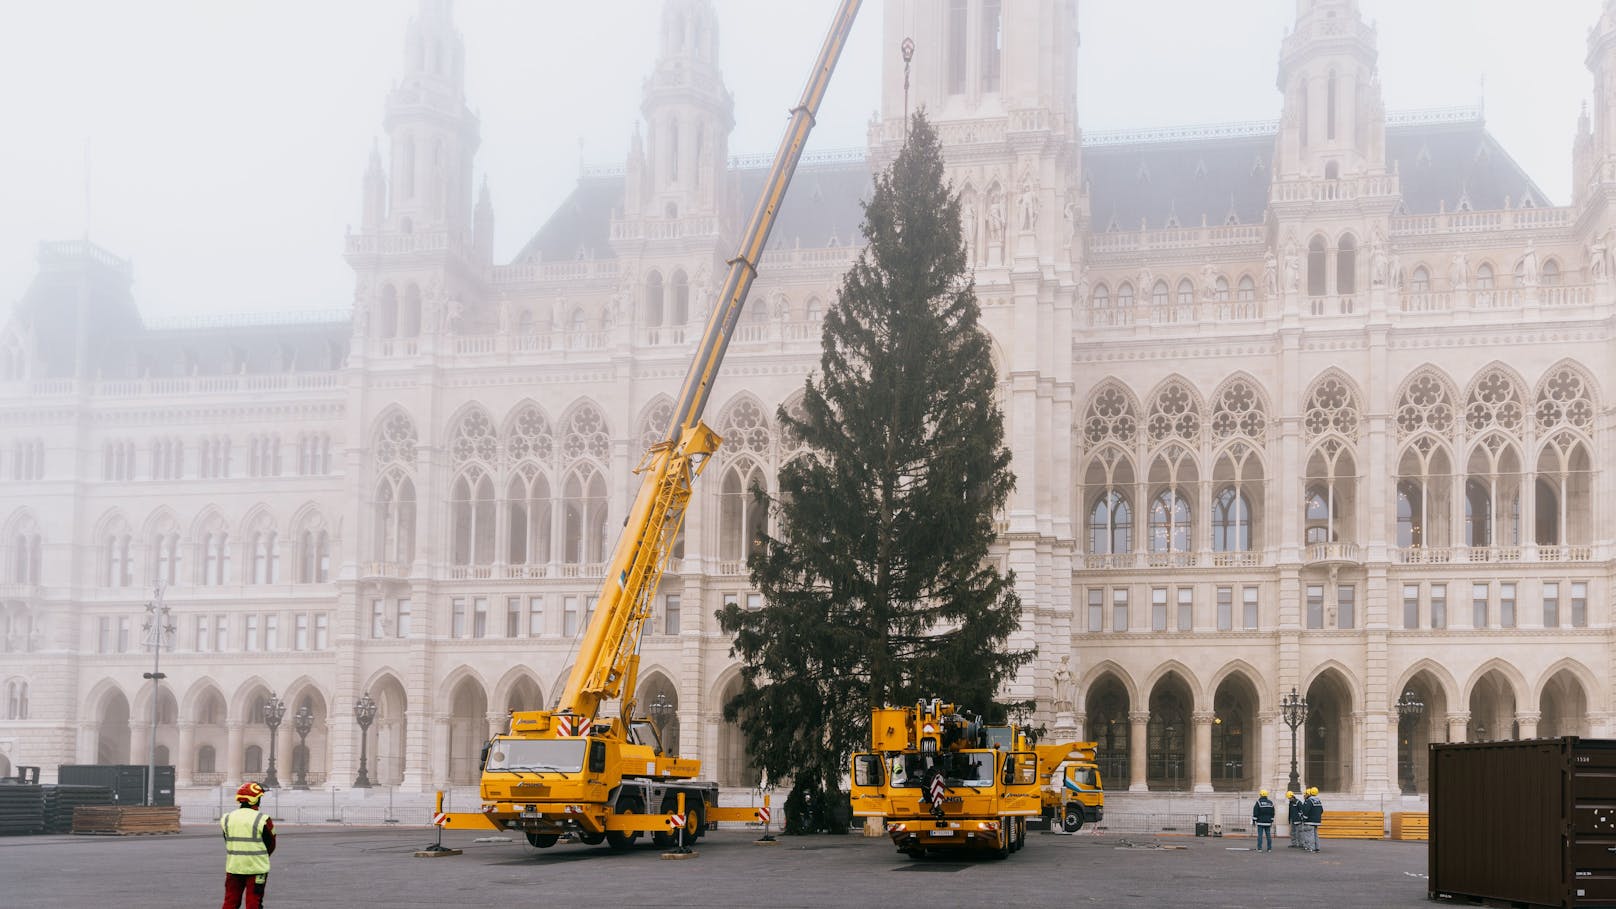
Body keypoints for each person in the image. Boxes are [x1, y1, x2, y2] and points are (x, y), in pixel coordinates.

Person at [221, 781, 276, 909]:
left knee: (230, 902)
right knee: (253, 903)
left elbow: (227, 840)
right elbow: (271, 844)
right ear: (255, 800)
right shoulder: (262, 819)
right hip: (256, 868)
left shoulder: (227, 818)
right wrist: (261, 855)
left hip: (234, 866)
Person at [1303, 786, 1325, 853]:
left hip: (1310, 821)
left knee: (1310, 835)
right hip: (1317, 821)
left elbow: (1306, 810)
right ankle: (1317, 848)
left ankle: (1312, 848)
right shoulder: (1318, 800)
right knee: (1316, 834)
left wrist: (1305, 818)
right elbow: (1321, 810)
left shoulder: (1310, 800)